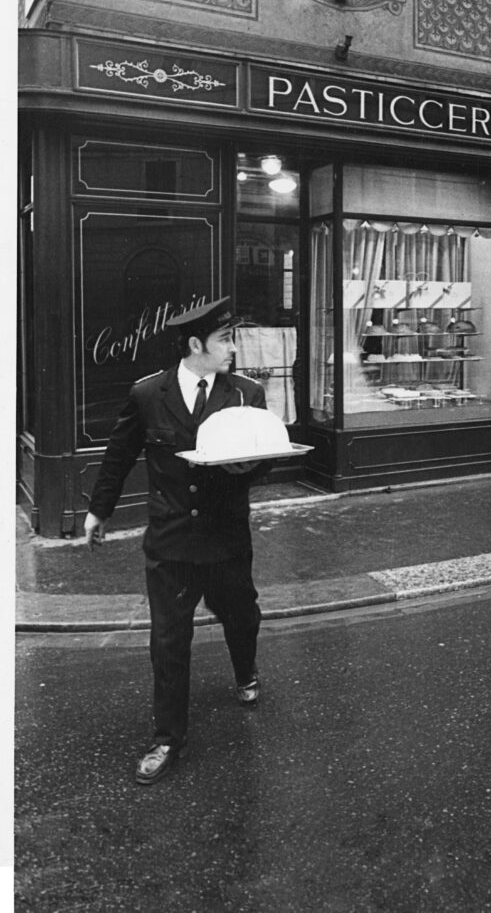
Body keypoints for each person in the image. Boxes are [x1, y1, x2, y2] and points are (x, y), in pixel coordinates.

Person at [84, 297, 272, 786]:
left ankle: (245, 670)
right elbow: (119, 455)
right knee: (168, 642)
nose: (233, 348)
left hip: (226, 537)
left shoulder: (247, 393)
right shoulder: (149, 394)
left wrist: (248, 467)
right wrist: (98, 510)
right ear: (196, 345)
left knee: (242, 613)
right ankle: (167, 737)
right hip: (170, 541)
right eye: (225, 340)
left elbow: (269, 455)